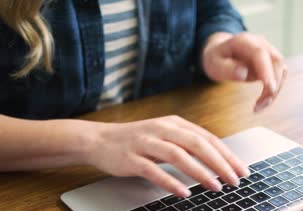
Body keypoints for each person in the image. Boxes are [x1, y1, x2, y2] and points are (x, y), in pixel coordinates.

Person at [0, 0, 287, 197]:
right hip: (32, 190)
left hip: (165, 168)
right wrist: (96, 141)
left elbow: (212, 8)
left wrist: (217, 41)